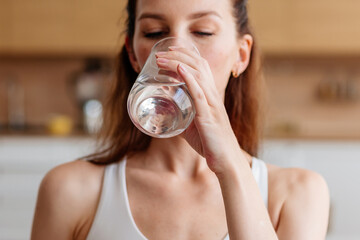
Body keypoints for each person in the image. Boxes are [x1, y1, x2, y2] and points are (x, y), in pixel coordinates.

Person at [31, 0, 330, 239]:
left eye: (202, 32)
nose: (176, 51)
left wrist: (228, 165)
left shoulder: (298, 194)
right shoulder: (68, 191)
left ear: (241, 55)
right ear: (134, 56)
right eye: (153, 33)